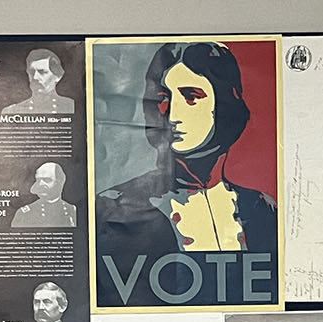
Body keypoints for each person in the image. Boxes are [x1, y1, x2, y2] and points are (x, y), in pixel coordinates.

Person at [94, 41, 277, 306]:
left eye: (191, 96)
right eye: (163, 99)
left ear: (224, 103)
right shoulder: (112, 205)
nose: (173, 115)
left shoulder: (264, 208)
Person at [1, 49, 74, 114]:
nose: (35, 77)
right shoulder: (13, 112)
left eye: (42, 72)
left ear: (58, 76)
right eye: (31, 72)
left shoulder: (70, 106)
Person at [11, 162, 77, 228]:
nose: (41, 184)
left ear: (59, 182)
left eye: (47, 180)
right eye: (38, 180)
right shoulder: (24, 214)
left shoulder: (72, 211)